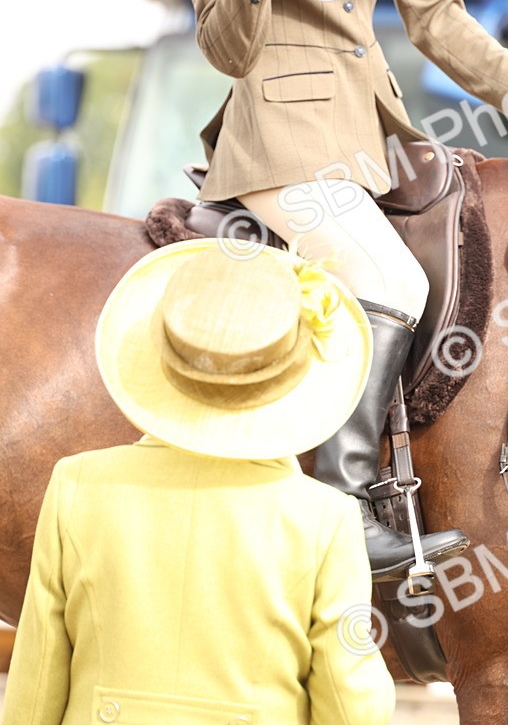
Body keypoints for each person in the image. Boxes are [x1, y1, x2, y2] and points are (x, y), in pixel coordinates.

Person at [179, 0, 508, 581]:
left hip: (371, 139)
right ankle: (344, 508)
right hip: (279, 135)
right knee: (387, 279)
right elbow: (226, 49)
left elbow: (435, 15)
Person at [1, 240, 395, 725]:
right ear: (293, 375)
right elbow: (351, 700)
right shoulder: (326, 519)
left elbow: (37, 676)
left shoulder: (76, 485)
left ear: (162, 357)